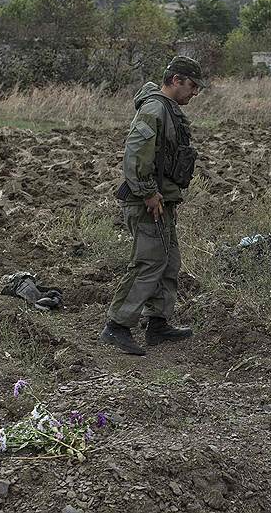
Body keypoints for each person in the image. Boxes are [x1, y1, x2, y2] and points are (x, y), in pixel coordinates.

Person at [100, 56, 204, 355]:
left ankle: (157, 323)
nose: (194, 93)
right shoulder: (155, 108)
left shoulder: (166, 109)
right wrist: (148, 192)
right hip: (147, 201)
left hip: (162, 198)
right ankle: (117, 325)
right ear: (175, 80)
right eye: (192, 86)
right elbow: (135, 155)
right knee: (148, 262)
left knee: (168, 260)